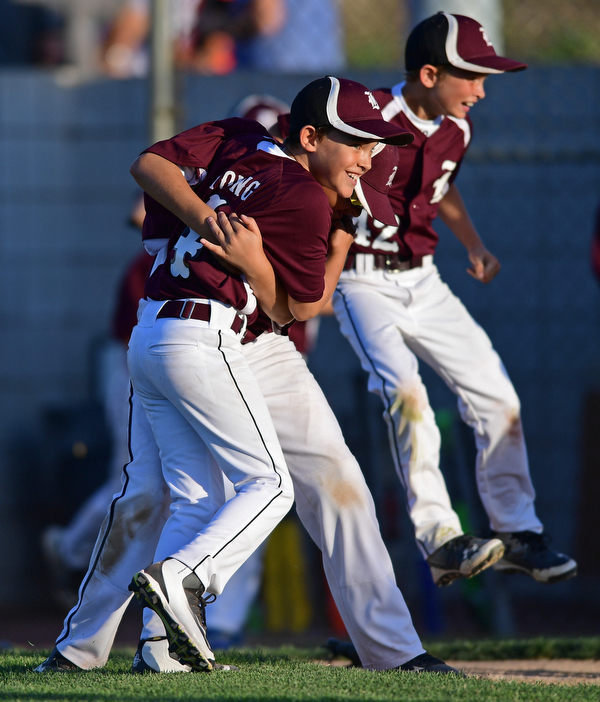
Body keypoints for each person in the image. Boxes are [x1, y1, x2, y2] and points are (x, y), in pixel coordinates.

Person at [35, 77, 461, 677]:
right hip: (210, 334)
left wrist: (255, 251)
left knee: (332, 481)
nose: (365, 161)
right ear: (306, 137)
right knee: (189, 492)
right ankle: (94, 640)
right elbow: (302, 305)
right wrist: (225, 229)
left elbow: (280, 302)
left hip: (222, 333)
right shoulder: (293, 187)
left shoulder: (256, 155)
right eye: (358, 144)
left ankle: (390, 651)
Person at [330, 12, 578, 588]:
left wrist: (474, 242)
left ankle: (516, 532)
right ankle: (440, 536)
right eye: (470, 75)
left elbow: (440, 186)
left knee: (497, 396)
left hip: (424, 279)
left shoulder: (456, 128)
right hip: (363, 280)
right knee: (407, 394)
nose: (481, 89)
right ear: (428, 72)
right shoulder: (370, 121)